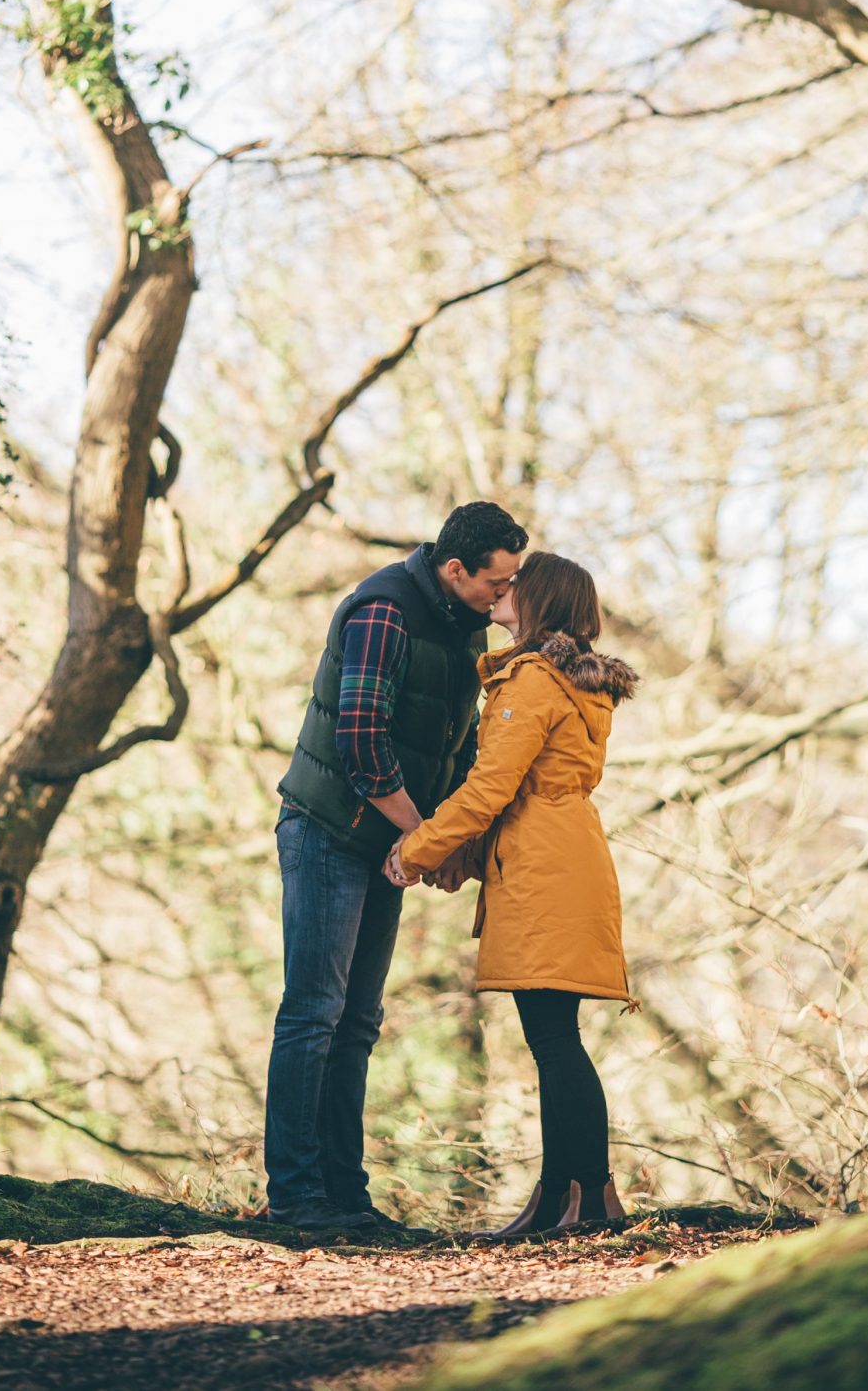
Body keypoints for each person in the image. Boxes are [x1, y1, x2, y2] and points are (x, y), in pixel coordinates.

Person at [264, 502, 529, 1235]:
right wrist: (427, 838)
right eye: (497, 583)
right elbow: (362, 745)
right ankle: (294, 1196)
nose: (505, 596)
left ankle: (346, 1196)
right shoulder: (384, 608)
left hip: (385, 840)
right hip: (329, 832)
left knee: (358, 1022)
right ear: (456, 569)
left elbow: (459, 743)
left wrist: (446, 835)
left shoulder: (463, 621)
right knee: (313, 1013)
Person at [385, 549, 639, 1238]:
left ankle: (589, 1195)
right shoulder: (572, 682)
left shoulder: (531, 680)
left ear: (542, 602)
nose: (505, 589)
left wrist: (415, 850)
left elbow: (491, 788)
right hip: (566, 855)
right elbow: (521, 789)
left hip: (544, 868)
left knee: (554, 1039)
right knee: (553, 1035)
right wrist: (459, 855)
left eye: (519, 585)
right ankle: (565, 1192)